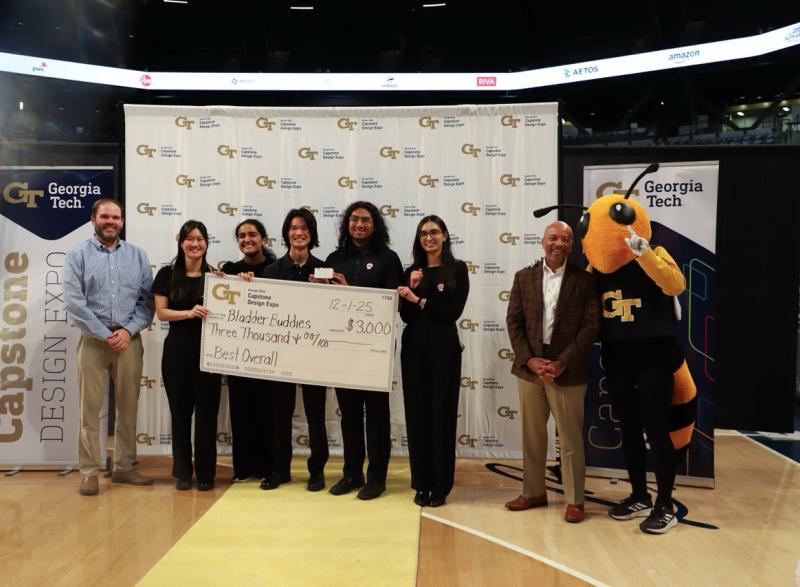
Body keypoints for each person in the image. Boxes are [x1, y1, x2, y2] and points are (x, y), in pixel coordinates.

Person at [504, 220, 600, 523]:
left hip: (567, 370)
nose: (559, 243)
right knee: (532, 437)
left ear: (572, 245)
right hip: (530, 369)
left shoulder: (584, 281)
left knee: (570, 438)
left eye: (565, 239)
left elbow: (591, 326)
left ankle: (575, 500)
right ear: (542, 241)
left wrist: (563, 361)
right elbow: (514, 322)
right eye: (553, 238)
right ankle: (533, 492)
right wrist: (529, 359)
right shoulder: (523, 277)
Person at [64, 198, 155, 496]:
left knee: (128, 407)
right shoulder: (77, 254)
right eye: (105, 216)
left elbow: (147, 302)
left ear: (122, 222)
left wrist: (127, 331)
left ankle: (125, 467)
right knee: (90, 409)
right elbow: (74, 304)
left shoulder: (138, 256)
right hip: (93, 341)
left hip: (129, 341)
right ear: (94, 219)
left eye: (116, 217)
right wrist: (105, 334)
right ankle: (89, 471)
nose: (111, 222)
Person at [323, 201, 404, 500]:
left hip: (375, 349)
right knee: (350, 415)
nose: (359, 224)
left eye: (366, 220)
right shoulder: (333, 258)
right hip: (342, 347)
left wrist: (350, 292)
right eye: (354, 219)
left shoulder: (389, 259)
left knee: (378, 414)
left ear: (375, 224)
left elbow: (393, 301)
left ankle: (377, 478)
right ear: (347, 224)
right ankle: (351, 473)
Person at [397, 215, 469, 507]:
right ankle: (421, 483)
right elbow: (406, 316)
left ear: (445, 236)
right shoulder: (412, 271)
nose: (429, 237)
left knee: (441, 416)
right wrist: (412, 289)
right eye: (424, 233)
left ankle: (441, 485)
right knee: (417, 417)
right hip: (414, 351)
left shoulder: (457, 269)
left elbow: (452, 312)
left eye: (435, 232)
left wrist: (419, 298)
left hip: (444, 352)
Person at [259, 208, 329, 492]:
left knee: (315, 413)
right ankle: (280, 469)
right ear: (286, 233)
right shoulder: (272, 271)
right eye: (293, 228)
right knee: (279, 413)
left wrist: (328, 289)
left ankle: (317, 470)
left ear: (311, 234)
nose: (298, 233)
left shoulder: (324, 269)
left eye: (304, 228)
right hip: (281, 354)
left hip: (314, 354)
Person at [152, 220, 221, 491]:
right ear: (181, 242)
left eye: (200, 238)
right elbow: (161, 313)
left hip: (209, 355)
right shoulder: (166, 274)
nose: (195, 243)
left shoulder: (216, 276)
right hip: (177, 353)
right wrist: (189, 313)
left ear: (206, 242)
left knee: (207, 416)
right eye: (189, 238)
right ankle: (182, 472)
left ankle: (206, 474)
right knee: (180, 414)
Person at [220, 219, 276, 483]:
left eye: (252, 234)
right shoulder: (230, 269)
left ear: (264, 238)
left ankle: (268, 468)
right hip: (239, 351)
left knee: (267, 410)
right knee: (241, 410)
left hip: (270, 352)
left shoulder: (276, 269)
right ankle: (243, 468)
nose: (247, 239)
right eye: (241, 236)